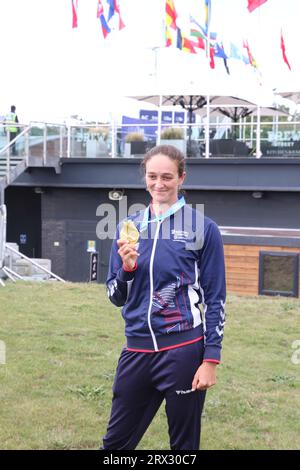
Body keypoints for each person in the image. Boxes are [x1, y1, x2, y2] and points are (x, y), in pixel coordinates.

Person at [102, 144, 226, 450]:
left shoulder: (203, 228)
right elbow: (115, 296)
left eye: (167, 177)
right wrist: (127, 271)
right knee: (115, 446)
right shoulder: (128, 227)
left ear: (182, 177)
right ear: (144, 177)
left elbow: (215, 298)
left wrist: (210, 359)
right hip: (137, 351)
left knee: (184, 448)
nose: (159, 184)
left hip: (183, 351)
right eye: (153, 176)